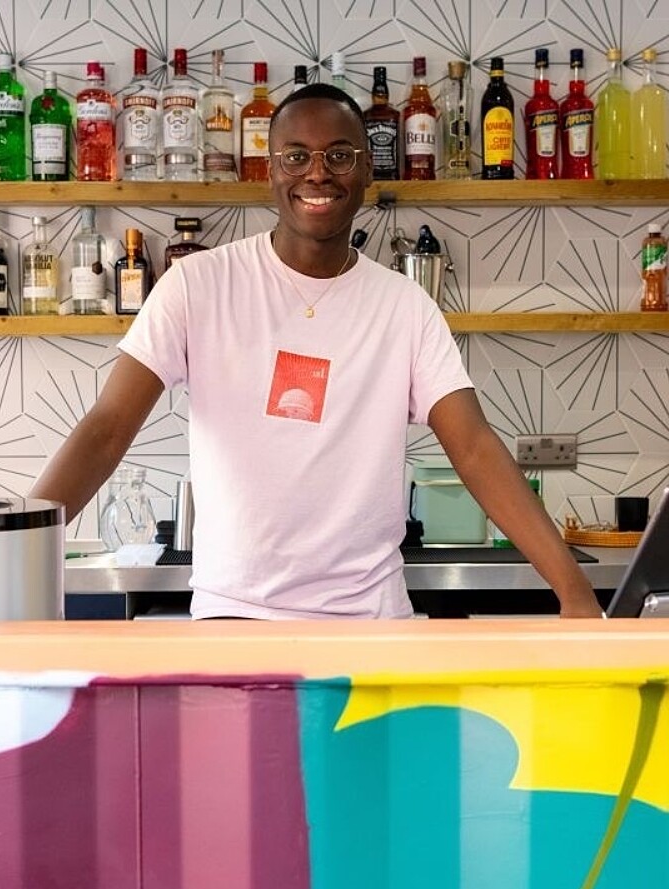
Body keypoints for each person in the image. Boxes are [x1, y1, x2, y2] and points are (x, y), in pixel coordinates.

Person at [31, 83, 601, 620]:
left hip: (371, 622)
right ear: (271, 169)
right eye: (296, 156)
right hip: (235, 618)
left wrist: (574, 593)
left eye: (339, 155)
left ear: (368, 170)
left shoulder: (405, 306)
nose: (317, 174)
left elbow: (474, 447)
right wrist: (11, 550)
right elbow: (107, 428)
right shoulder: (198, 285)